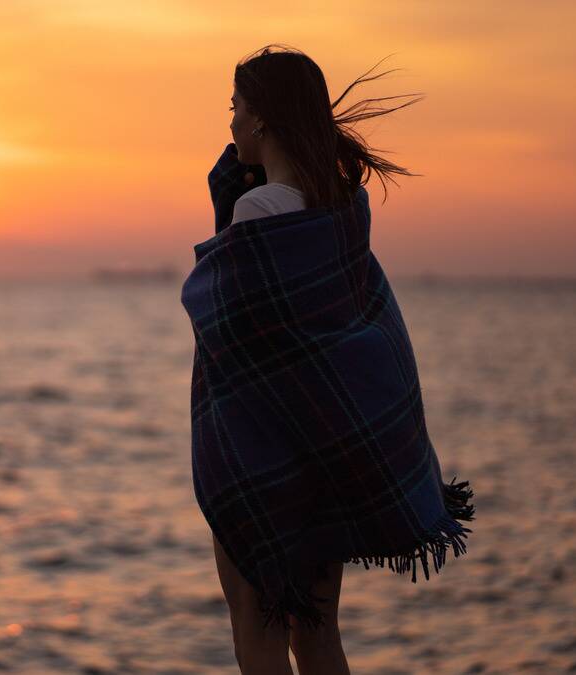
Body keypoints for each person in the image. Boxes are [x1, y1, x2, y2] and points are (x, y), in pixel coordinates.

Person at [182, 45, 476, 674]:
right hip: (321, 459)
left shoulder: (256, 212)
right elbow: (333, 340)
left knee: (254, 628)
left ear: (260, 119)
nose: (229, 124)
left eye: (234, 109)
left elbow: (232, 342)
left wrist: (230, 210)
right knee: (318, 636)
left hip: (263, 461)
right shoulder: (336, 212)